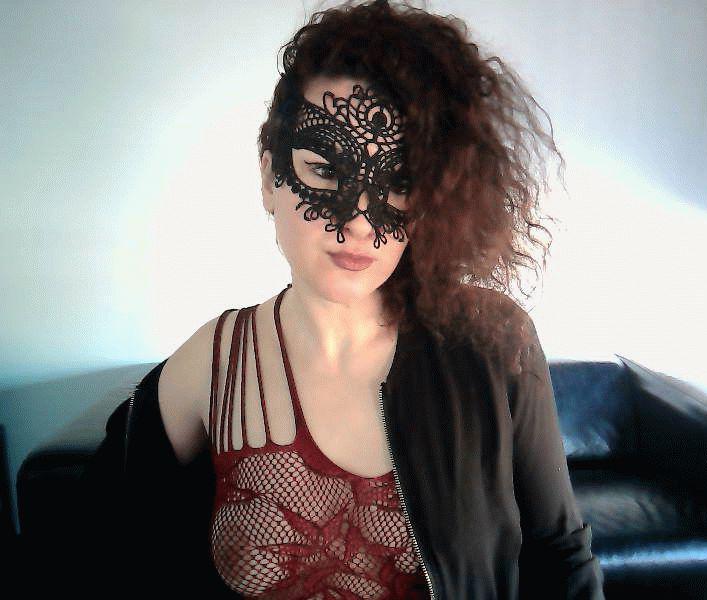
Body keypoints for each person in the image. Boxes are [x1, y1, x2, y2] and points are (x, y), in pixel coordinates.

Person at [74, 1, 605, 598]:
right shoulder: (216, 364)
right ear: (269, 177)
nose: (357, 221)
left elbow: (561, 554)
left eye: (397, 182)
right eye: (325, 170)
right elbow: (107, 549)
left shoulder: (492, 341)